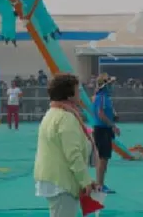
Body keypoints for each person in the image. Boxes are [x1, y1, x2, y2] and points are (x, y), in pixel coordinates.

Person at [35, 74, 99, 217]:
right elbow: (73, 153)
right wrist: (85, 181)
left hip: (55, 179)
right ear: (69, 95)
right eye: (77, 90)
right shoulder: (66, 118)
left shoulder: (53, 113)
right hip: (62, 182)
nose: (80, 93)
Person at [90, 74, 117, 194]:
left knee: (104, 158)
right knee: (102, 158)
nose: (112, 86)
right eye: (110, 84)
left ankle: (100, 183)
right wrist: (112, 125)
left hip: (104, 129)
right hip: (102, 129)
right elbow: (101, 114)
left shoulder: (105, 97)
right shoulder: (101, 97)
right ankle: (100, 184)